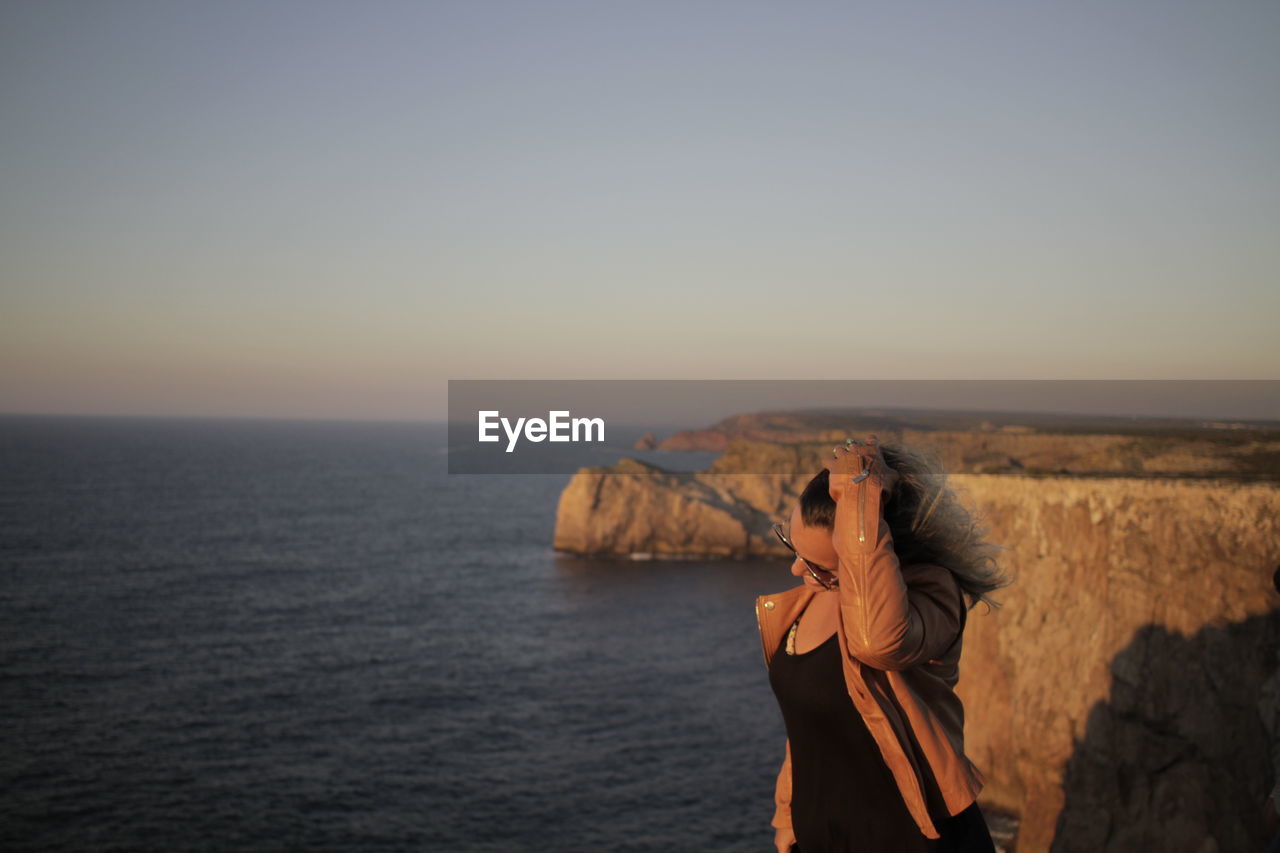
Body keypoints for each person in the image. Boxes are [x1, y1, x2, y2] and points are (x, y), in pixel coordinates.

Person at [757, 435, 1007, 852]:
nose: (796, 568)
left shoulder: (929, 598)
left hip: (916, 840)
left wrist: (860, 495)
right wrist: (787, 817)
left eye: (821, 567)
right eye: (792, 545)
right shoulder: (800, 607)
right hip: (824, 838)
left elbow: (877, 643)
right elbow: (807, 725)